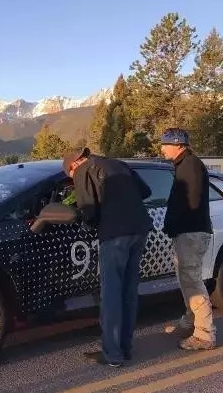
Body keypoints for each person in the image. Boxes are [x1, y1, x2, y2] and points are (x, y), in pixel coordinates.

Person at [63, 147, 152, 367]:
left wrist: (87, 220)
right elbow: (145, 191)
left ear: (74, 165)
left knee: (111, 294)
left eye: (71, 176)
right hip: (140, 229)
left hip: (115, 234)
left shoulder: (83, 170)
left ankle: (112, 354)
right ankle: (125, 348)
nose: (74, 178)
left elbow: (89, 210)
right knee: (129, 290)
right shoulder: (118, 163)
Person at [160, 128, 215, 351]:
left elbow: (190, 203)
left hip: (191, 232)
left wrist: (173, 224)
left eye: (165, 144)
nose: (162, 149)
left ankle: (204, 334)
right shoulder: (184, 165)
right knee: (186, 279)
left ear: (177, 145)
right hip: (186, 232)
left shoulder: (190, 166)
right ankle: (191, 321)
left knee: (192, 280)